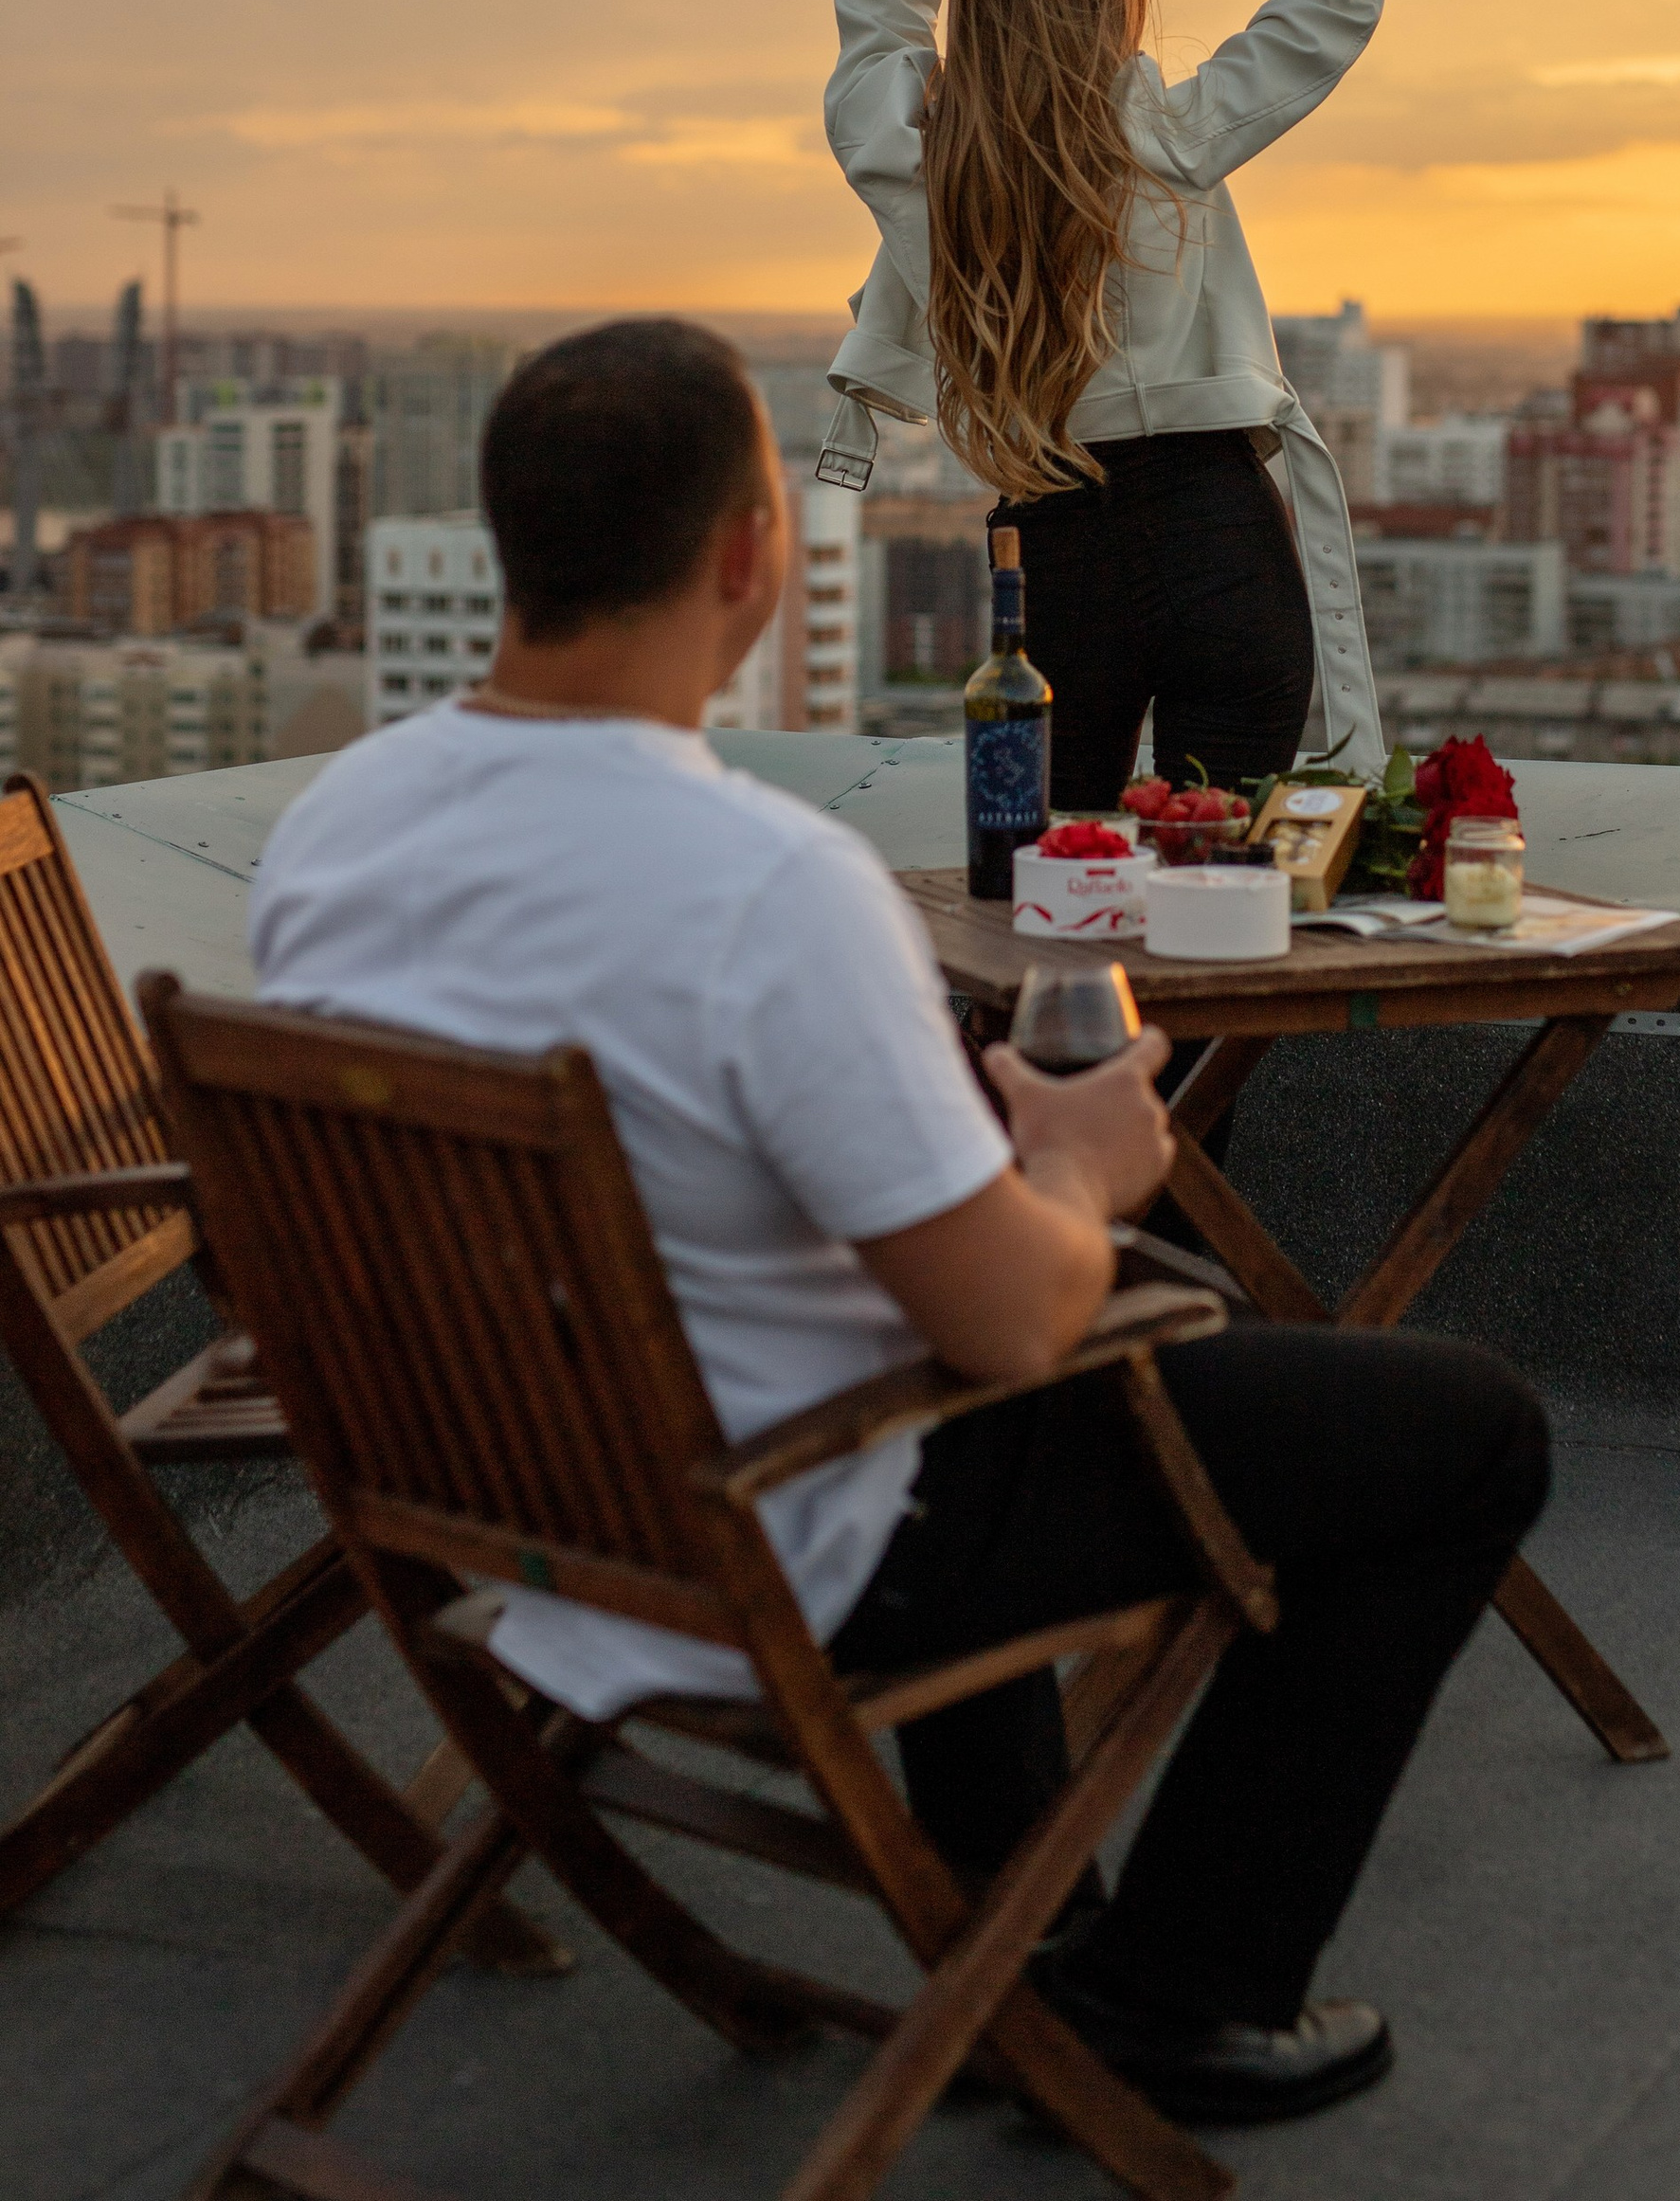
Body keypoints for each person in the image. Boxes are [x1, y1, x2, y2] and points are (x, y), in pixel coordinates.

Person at [248, 320, 1548, 2128]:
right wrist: (1088, 1163)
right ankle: (1180, 1999)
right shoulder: (768, 887)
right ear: (747, 556)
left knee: (1018, 1359)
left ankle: (1028, 1964)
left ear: (508, 548)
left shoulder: (338, 832)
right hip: (791, 1534)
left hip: (509, 1520)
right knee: (1459, 1431)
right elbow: (1013, 1321)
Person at [822, 0, 1406, 803]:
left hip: (1053, 565)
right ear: (1118, 2)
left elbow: (873, 7)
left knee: (1044, 900)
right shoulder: (1173, 139)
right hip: (1222, 550)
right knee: (1224, 904)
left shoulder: (919, 163)